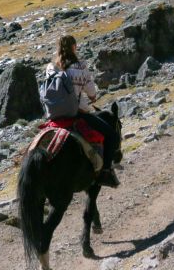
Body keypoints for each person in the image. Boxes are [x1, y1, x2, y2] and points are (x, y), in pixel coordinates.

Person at [46, 35, 120, 187]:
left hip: (54, 115)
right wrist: (92, 97)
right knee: (111, 136)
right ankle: (105, 172)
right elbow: (92, 93)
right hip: (76, 113)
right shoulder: (80, 66)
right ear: (74, 47)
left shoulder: (50, 67)